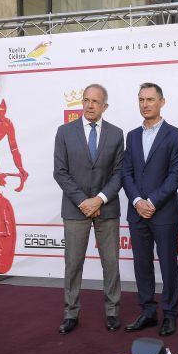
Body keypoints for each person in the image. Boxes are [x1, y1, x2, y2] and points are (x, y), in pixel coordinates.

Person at [53, 84, 124, 334]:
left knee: (111, 262)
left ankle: (113, 311)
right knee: (73, 263)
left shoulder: (116, 134)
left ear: (105, 106)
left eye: (95, 102)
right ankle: (70, 313)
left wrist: (100, 200)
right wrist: (84, 201)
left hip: (107, 208)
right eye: (86, 100)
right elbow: (60, 172)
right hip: (75, 209)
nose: (90, 105)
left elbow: (119, 173)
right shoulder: (64, 132)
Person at [122, 82, 178, 336]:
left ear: (162, 102)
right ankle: (148, 311)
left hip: (165, 211)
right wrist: (138, 201)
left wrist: (153, 201)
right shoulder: (132, 136)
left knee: (168, 264)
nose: (145, 104)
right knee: (142, 263)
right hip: (137, 212)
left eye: (150, 99)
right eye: (141, 100)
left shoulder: (176, 135)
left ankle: (170, 314)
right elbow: (126, 172)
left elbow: (176, 174)